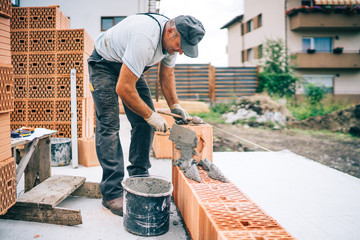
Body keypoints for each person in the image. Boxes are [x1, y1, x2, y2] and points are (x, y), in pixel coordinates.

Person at [87, 13, 205, 216]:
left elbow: (167, 75)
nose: (180, 51)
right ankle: (112, 193)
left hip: (131, 66)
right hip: (104, 64)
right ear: (170, 31)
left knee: (143, 123)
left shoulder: (173, 40)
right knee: (109, 126)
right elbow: (124, 88)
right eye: (180, 45)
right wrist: (151, 115)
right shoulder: (145, 38)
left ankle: (139, 175)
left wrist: (175, 105)